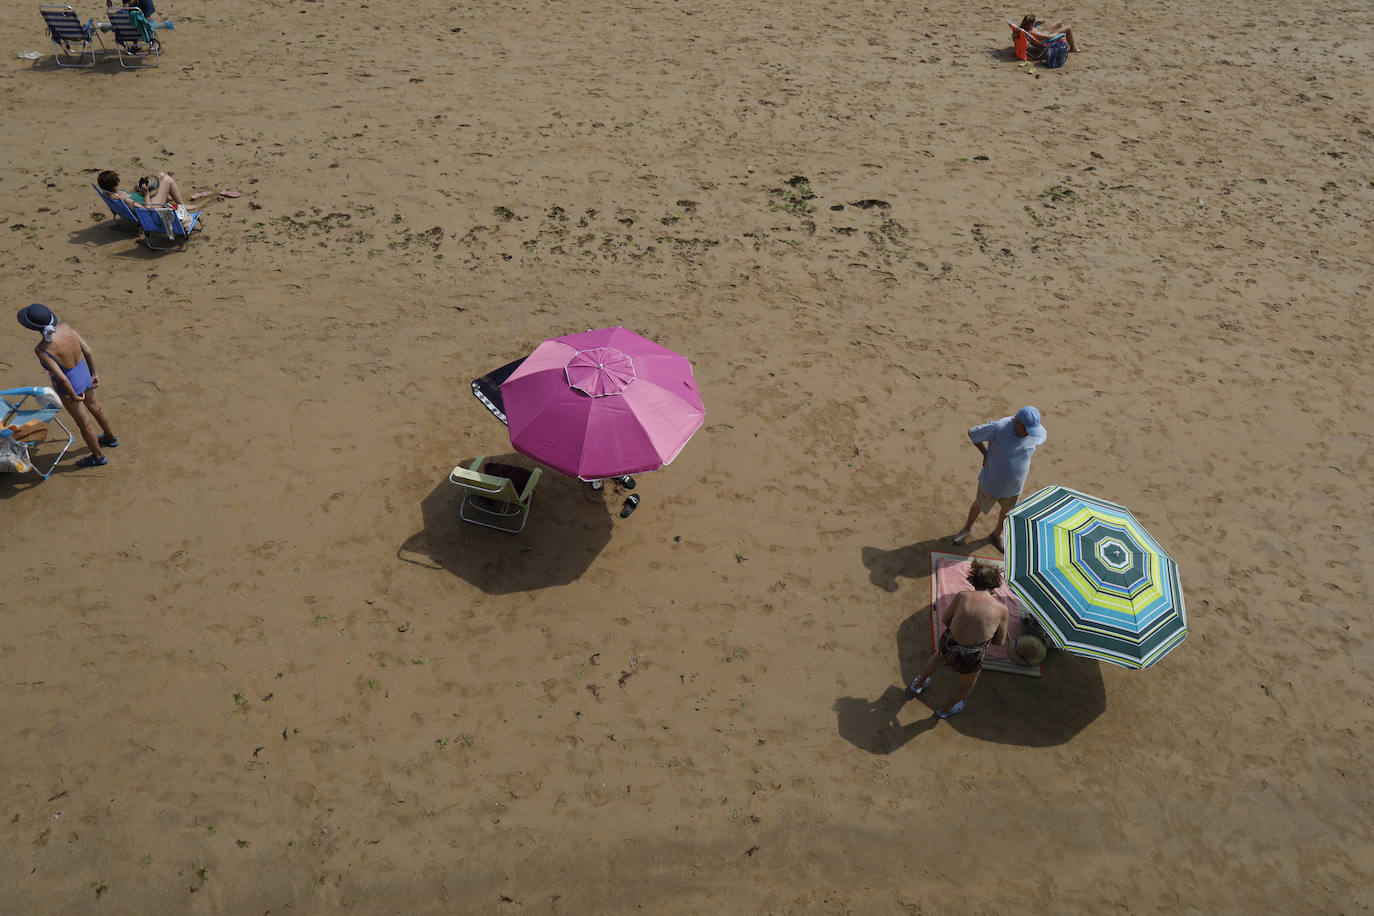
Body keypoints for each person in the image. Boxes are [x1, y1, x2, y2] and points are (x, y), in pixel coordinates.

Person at [16, 304, 119, 469]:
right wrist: (94, 374)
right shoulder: (66, 327)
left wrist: (73, 395)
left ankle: (98, 457)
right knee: (96, 408)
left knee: (84, 423)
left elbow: (62, 378)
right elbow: (88, 351)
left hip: (70, 386)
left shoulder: (42, 349)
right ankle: (110, 437)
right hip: (84, 374)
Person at [906, 561, 1009, 718]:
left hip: (949, 643)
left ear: (973, 579)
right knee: (967, 684)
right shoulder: (1002, 610)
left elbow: (946, 619)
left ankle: (918, 684)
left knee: (939, 657)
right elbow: (1000, 641)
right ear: (995, 584)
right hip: (970, 656)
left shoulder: (962, 596)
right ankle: (944, 710)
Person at [952, 405, 1047, 552]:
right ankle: (967, 529)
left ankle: (998, 534)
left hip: (1015, 485)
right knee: (979, 504)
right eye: (1026, 430)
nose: (1029, 434)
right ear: (1016, 422)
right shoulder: (999, 428)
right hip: (992, 481)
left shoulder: (1035, 433)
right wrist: (985, 454)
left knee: (1007, 510)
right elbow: (973, 434)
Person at [97, 169, 188, 210]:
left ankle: (169, 199)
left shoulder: (108, 194)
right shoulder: (128, 201)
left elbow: (128, 194)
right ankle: (182, 206)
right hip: (152, 207)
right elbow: (146, 210)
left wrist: (136, 188)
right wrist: (146, 194)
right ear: (115, 183)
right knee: (167, 179)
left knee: (160, 175)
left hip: (145, 200)